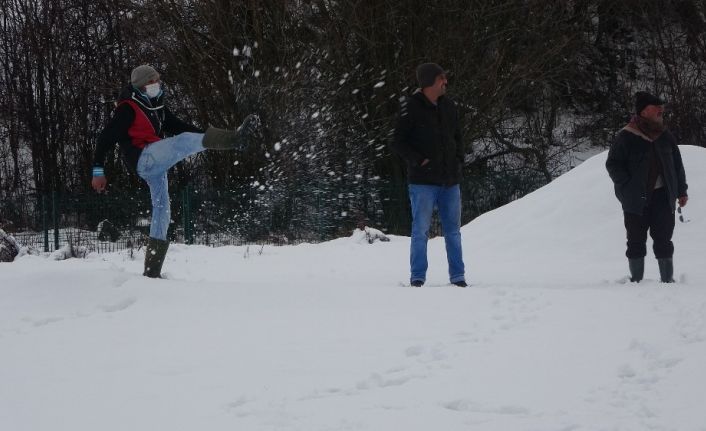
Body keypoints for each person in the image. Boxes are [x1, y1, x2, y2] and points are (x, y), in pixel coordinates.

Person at [92, 65, 259, 278]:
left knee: (162, 210)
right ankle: (236, 140)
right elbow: (105, 139)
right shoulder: (128, 108)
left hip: (154, 163)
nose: (158, 83)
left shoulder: (155, 105)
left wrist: (206, 138)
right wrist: (97, 170)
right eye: (155, 80)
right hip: (144, 157)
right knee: (182, 143)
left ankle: (151, 272)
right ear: (144, 84)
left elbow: (180, 127)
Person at [392, 63, 466, 287]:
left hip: (450, 181)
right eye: (442, 78)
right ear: (430, 82)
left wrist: (459, 159)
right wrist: (419, 160)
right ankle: (417, 276)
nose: (446, 82)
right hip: (422, 182)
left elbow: (458, 136)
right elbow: (397, 142)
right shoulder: (410, 107)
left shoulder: (449, 106)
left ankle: (458, 276)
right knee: (420, 230)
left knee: (453, 231)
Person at [606, 91, 688, 283]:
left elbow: (677, 165)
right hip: (635, 200)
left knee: (664, 240)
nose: (661, 110)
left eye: (661, 107)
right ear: (643, 111)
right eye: (656, 107)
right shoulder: (627, 136)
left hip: (663, 197)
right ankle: (636, 282)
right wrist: (627, 186)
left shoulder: (665, 136)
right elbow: (613, 164)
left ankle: (667, 281)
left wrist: (681, 190)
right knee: (635, 241)